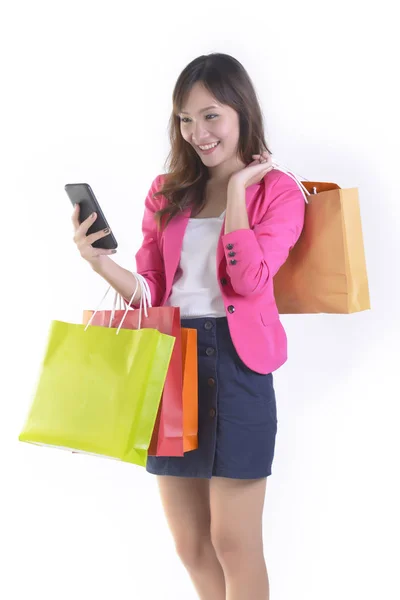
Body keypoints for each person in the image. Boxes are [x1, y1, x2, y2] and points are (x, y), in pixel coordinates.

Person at [72, 53, 305, 600]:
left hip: (239, 364)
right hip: (171, 359)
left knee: (234, 542)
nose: (197, 133)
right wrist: (99, 263)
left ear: (242, 112)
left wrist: (240, 195)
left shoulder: (280, 192)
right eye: (185, 119)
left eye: (211, 115)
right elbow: (152, 293)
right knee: (191, 545)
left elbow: (249, 282)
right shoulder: (167, 191)